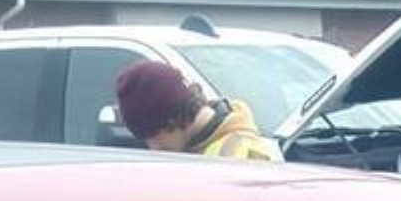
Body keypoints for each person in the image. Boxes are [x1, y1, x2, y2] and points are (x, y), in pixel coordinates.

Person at [113, 60, 279, 162]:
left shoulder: (240, 159)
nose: (153, 147)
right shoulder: (198, 150)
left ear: (171, 120)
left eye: (151, 134)